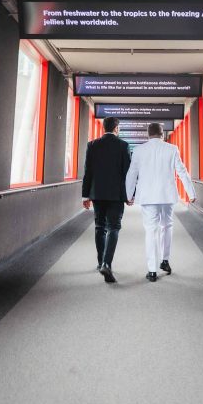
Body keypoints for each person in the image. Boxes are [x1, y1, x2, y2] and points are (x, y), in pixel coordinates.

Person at [125, 122, 196, 282]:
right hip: (167, 196)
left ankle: (152, 271)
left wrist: (128, 195)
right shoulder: (172, 149)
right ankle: (165, 260)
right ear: (162, 134)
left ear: (148, 135)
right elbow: (182, 171)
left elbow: (131, 174)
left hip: (147, 197)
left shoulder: (138, 150)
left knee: (151, 230)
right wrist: (191, 193)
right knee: (167, 226)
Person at [82, 116, 131, 283]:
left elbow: (88, 171)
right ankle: (106, 263)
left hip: (97, 194)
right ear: (116, 128)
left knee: (99, 226)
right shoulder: (123, 146)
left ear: (104, 128)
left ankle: (99, 262)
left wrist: (85, 194)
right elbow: (127, 174)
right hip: (116, 195)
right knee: (114, 227)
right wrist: (129, 195)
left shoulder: (92, 145)